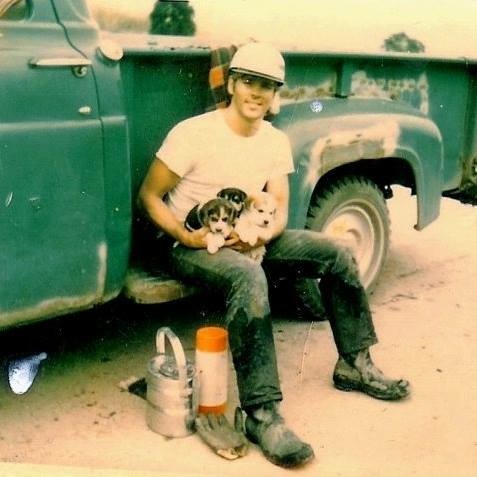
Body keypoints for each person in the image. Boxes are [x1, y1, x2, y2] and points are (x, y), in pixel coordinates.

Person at [138, 42, 410, 468]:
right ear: (231, 84)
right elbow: (150, 197)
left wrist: (260, 238)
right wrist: (184, 237)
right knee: (248, 278)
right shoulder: (194, 134)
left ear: (275, 93)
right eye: (248, 81)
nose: (257, 93)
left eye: (267, 85)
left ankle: (356, 363)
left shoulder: (275, 141)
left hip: (250, 236)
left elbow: (278, 208)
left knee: (338, 252)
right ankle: (261, 413)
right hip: (189, 244)